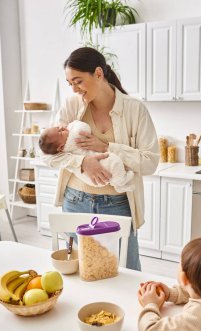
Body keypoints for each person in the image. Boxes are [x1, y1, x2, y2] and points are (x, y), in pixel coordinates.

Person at [41, 47, 159, 271]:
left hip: (118, 203)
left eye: (78, 81)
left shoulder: (135, 110)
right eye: (70, 84)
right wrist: (82, 163)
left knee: (127, 270)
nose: (75, 90)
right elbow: (46, 154)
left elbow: (150, 162)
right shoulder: (72, 105)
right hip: (75, 201)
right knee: (84, 270)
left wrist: (107, 146)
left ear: (98, 73)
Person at [39, 120, 134, 193]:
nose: (62, 128)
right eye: (60, 132)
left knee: (113, 164)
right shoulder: (74, 139)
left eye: (58, 127)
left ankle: (118, 183)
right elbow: (84, 128)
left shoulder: (62, 149)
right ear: (61, 147)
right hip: (77, 193)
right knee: (114, 162)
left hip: (93, 182)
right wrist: (82, 161)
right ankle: (121, 182)